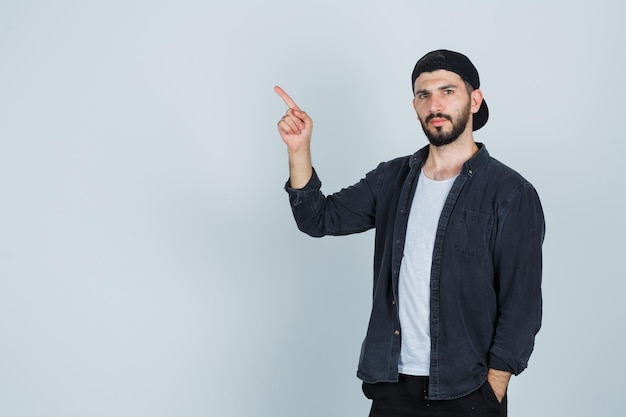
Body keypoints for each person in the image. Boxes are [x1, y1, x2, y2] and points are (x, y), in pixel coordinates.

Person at [275, 49, 545, 417]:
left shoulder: (510, 192)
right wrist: (299, 150)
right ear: (415, 106)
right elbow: (318, 219)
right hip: (392, 386)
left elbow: (522, 304)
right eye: (424, 95)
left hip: (468, 391)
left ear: (475, 100)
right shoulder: (392, 178)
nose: (435, 104)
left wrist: (492, 389)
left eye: (448, 91)